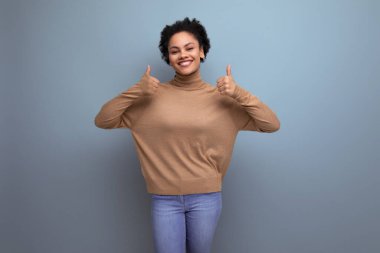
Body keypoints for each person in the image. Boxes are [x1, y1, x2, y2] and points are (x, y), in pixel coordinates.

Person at [94, 17, 280, 253]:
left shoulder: (223, 99)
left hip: (207, 198)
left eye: (189, 48)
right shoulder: (150, 96)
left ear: (201, 51)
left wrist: (239, 93)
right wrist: (136, 91)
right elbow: (103, 120)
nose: (183, 55)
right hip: (164, 199)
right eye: (174, 51)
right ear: (168, 59)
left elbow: (271, 124)